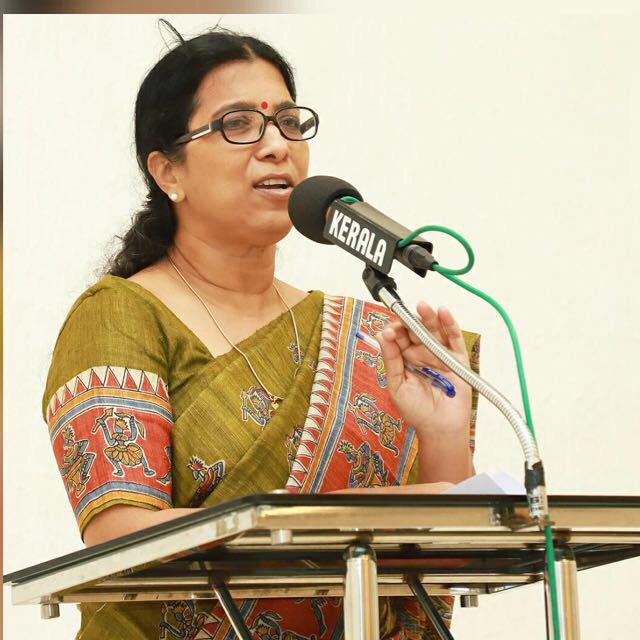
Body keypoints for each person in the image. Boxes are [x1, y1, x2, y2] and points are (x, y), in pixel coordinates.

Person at [43, 22, 480, 640]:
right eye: (239, 124)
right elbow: (118, 535)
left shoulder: (371, 336)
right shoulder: (120, 315)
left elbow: (449, 558)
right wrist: (328, 518)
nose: (277, 145)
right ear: (168, 172)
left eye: (289, 123)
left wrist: (442, 431)